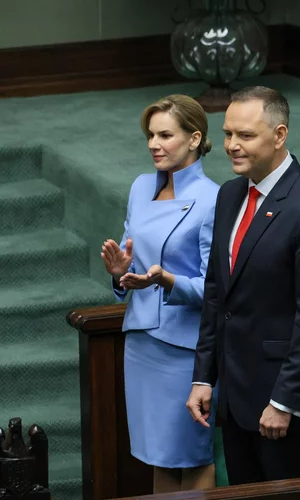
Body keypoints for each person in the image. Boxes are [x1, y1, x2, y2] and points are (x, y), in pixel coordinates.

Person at [186, 86, 300, 484]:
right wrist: (204, 375)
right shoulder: (229, 196)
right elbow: (216, 294)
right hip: (237, 397)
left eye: (245, 136)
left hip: (286, 408)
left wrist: (284, 401)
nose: (231, 146)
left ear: (279, 136)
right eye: (227, 134)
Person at [100, 94, 219, 492]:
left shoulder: (213, 199)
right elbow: (132, 261)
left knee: (193, 452)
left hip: (186, 351)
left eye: (165, 135)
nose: (154, 143)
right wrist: (121, 275)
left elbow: (216, 288)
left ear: (194, 138)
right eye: (150, 135)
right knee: (160, 454)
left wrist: (166, 281)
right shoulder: (139, 187)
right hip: (142, 344)